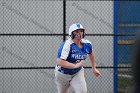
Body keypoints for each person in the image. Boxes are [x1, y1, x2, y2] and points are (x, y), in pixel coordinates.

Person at [55, 23, 101, 93]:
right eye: (76, 31)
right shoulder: (67, 45)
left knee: (82, 91)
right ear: (71, 33)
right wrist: (75, 65)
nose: (79, 33)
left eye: (81, 31)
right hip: (62, 73)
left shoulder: (87, 44)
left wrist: (94, 68)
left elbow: (91, 54)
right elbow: (59, 62)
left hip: (77, 72)